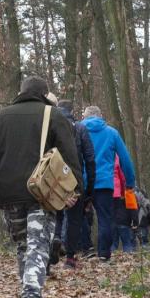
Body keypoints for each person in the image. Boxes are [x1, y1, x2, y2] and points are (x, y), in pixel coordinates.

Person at [0, 75, 82, 298]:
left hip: (9, 194)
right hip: (40, 193)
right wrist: (75, 190)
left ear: (21, 92)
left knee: (24, 247)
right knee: (38, 249)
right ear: (44, 94)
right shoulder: (53, 115)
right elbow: (70, 156)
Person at [81, 106, 136, 262]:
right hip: (104, 183)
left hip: (82, 182)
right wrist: (130, 181)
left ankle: (83, 250)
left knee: (79, 216)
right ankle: (104, 254)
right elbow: (125, 158)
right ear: (101, 116)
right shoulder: (112, 133)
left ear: (84, 117)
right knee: (105, 219)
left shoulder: (77, 131)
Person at [56, 99, 96, 269]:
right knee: (74, 219)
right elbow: (90, 159)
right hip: (74, 179)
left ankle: (55, 242)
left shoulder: (51, 126)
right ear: (72, 111)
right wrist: (89, 190)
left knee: (55, 214)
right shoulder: (80, 128)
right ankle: (70, 258)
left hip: (54, 179)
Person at [111, 155, 136, 252]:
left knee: (113, 245)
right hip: (125, 222)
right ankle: (127, 251)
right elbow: (133, 209)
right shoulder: (116, 156)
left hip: (114, 222)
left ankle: (112, 252)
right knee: (127, 244)